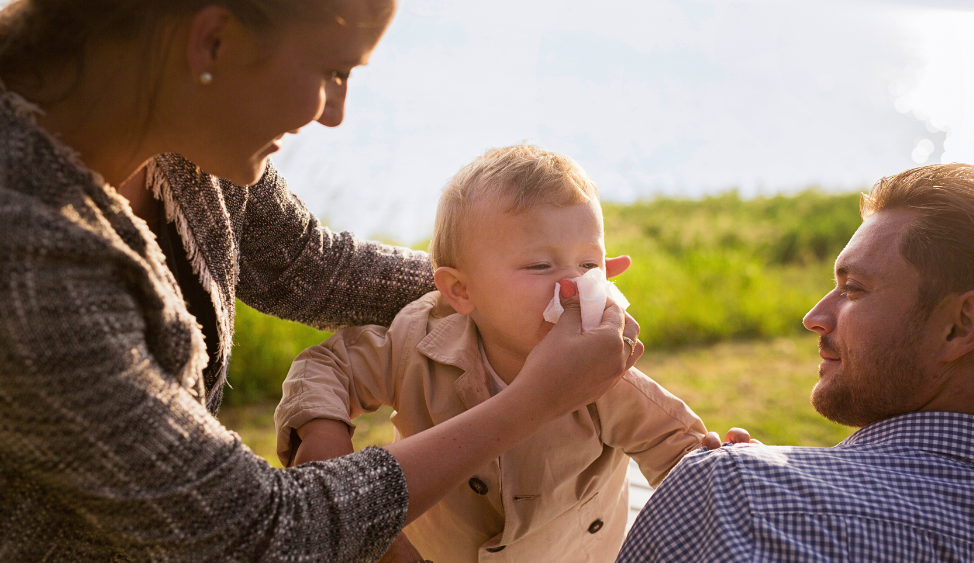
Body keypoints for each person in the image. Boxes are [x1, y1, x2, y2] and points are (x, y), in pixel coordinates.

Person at [0, 1, 642, 561]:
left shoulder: (180, 134)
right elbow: (255, 537)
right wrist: (532, 400)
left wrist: (514, 291)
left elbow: (310, 265)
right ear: (213, 42)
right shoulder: (27, 254)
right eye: (334, 72)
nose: (334, 114)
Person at [275, 145, 709, 563]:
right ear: (461, 291)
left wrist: (724, 469)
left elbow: (679, 452)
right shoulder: (417, 342)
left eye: (589, 265)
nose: (573, 286)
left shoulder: (600, 375)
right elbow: (328, 366)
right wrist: (322, 429)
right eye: (540, 266)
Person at [617, 163, 974, 563]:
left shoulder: (733, 494)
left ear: (959, 326)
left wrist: (749, 493)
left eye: (853, 289)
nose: (813, 316)